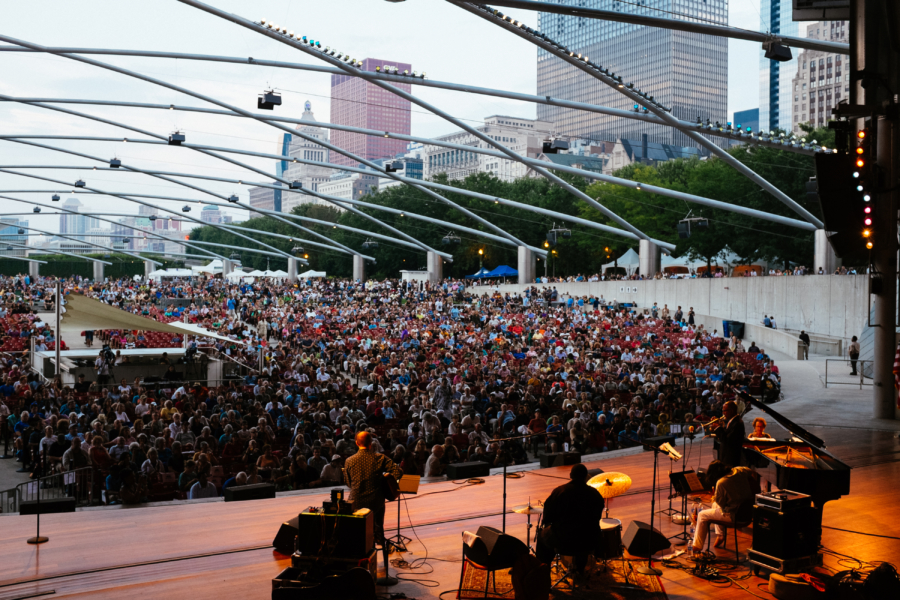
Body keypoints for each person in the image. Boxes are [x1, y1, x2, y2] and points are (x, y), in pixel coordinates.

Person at [343, 431, 403, 573]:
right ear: (371, 444)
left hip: (355, 504)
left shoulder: (349, 461)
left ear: (357, 443)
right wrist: (383, 481)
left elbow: (348, 483)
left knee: (355, 530)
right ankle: (378, 541)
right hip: (375, 503)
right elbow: (398, 471)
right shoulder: (380, 458)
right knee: (378, 525)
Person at [536, 464, 605, 577]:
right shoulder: (595, 494)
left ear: (570, 475)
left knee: (542, 536)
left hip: (564, 541)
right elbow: (597, 517)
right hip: (589, 540)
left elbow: (547, 518)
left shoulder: (560, 491)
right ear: (586, 477)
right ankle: (580, 570)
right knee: (583, 533)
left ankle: (543, 574)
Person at [691, 462, 759, 557]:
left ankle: (696, 547)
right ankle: (720, 535)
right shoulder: (739, 470)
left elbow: (721, 504)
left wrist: (715, 495)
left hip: (734, 515)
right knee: (715, 505)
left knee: (702, 515)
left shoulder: (721, 482)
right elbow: (751, 471)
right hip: (748, 512)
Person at [706, 400, 745, 468]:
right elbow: (726, 434)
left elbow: (727, 440)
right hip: (727, 457)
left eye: (724, 410)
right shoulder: (733, 421)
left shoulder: (737, 423)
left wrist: (717, 428)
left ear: (731, 411)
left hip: (731, 459)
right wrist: (719, 426)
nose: (723, 413)